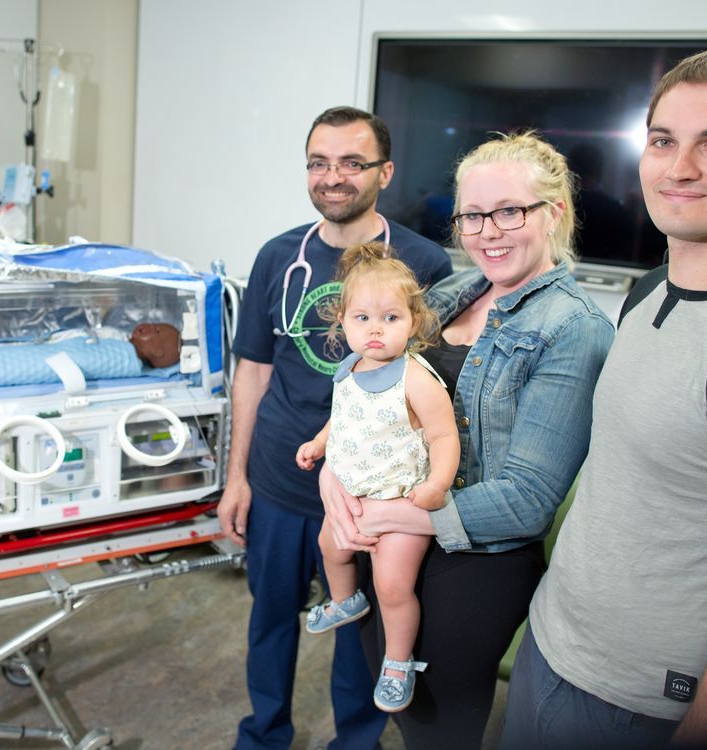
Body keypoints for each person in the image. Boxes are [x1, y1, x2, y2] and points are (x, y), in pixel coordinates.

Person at [501, 42, 707, 750]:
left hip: (647, 706)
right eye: (663, 141)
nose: (679, 167)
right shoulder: (649, 291)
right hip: (552, 648)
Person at [319, 131, 615, 748]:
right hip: (389, 535)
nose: (488, 230)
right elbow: (371, 402)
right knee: (399, 706)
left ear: (554, 213)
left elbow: (527, 499)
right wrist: (335, 494)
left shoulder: (573, 329)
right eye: (474, 215)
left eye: (510, 210)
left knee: (435, 721)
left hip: (473, 561)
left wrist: (380, 514)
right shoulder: (453, 295)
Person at [217, 106, 452, 750]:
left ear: (385, 171)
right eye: (319, 162)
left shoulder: (425, 265)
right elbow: (253, 373)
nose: (333, 177)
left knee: (361, 630)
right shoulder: (276, 257)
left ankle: (356, 742)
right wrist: (235, 477)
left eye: (352, 162)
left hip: (374, 496)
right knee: (269, 623)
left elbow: (432, 395)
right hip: (279, 481)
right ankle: (262, 735)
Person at [295, 243, 460, 714]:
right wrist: (319, 442)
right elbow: (342, 417)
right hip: (352, 496)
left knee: (392, 586)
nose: (375, 330)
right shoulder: (347, 368)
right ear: (342, 321)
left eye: (390, 318)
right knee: (330, 548)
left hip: (401, 506)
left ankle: (397, 661)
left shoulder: (415, 378)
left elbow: (444, 435)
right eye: (362, 318)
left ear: (413, 321)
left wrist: (437, 484)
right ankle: (346, 600)